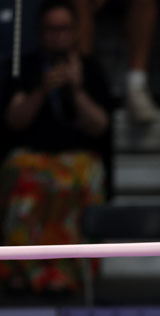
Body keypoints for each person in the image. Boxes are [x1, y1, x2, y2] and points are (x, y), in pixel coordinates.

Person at [0, 0, 113, 295]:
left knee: (81, 175)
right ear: (39, 32)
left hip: (77, 158)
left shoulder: (90, 69)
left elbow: (100, 125)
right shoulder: (22, 67)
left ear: (75, 32)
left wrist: (75, 89)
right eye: (51, 29)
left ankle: (68, 276)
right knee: (24, 176)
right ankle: (21, 271)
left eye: (63, 29)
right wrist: (42, 90)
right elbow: (14, 121)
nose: (57, 36)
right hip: (33, 156)